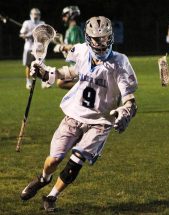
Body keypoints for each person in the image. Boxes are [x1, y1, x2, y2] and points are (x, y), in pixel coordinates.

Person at [20, 16, 138, 212]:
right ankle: (43, 178)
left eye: (105, 37)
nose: (101, 43)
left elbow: (129, 98)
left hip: (100, 122)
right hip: (74, 114)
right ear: (88, 38)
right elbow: (72, 72)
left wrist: (126, 111)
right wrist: (45, 73)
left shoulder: (120, 62)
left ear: (111, 37)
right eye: (97, 39)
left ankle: (51, 196)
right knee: (54, 160)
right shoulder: (82, 51)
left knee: (76, 160)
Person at [54, 5, 84, 89]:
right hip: (75, 64)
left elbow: (76, 47)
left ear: (69, 15)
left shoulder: (74, 29)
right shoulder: (70, 30)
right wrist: (61, 42)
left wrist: (62, 47)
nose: (63, 18)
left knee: (61, 82)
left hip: (80, 65)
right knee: (60, 82)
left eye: (64, 15)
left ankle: (85, 88)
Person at [20, 8, 45, 89]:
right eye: (34, 14)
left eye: (37, 14)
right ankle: (28, 82)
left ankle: (43, 82)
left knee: (41, 65)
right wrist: (28, 35)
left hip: (39, 48)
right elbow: (22, 34)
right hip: (29, 48)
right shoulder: (27, 23)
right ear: (31, 14)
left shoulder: (42, 23)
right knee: (28, 65)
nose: (36, 16)